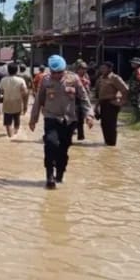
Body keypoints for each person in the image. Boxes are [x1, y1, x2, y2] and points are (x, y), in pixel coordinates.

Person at [29, 55, 94, 189]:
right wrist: (33, 119)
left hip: (69, 120)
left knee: (63, 150)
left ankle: (59, 174)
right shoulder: (46, 80)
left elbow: (83, 97)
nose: (57, 75)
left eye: (59, 72)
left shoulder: (74, 79)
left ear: (64, 70)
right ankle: (49, 176)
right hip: (51, 117)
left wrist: (89, 115)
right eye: (54, 72)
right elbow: (38, 100)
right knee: (51, 144)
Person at [94, 61, 128, 146]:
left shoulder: (115, 78)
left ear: (110, 69)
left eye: (104, 68)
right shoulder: (101, 78)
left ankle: (112, 144)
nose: (102, 70)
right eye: (101, 68)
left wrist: (121, 102)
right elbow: (99, 94)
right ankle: (107, 143)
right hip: (103, 103)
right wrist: (96, 106)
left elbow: (125, 89)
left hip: (111, 104)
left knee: (111, 125)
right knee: (104, 124)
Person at [0, 62, 28, 139]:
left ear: (8, 70)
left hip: (7, 102)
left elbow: (1, 91)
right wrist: (25, 105)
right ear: (17, 70)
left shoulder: (3, 80)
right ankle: (15, 135)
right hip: (17, 102)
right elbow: (25, 92)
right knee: (17, 120)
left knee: (7, 122)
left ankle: (10, 136)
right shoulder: (21, 80)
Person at [75, 61, 91, 140]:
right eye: (82, 68)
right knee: (74, 117)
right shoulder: (74, 77)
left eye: (85, 69)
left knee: (81, 118)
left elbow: (88, 88)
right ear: (78, 69)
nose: (84, 70)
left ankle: (80, 135)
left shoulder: (86, 77)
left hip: (83, 99)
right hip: (75, 99)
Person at [129, 57, 140, 123]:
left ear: (137, 64)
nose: (132, 64)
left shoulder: (139, 69)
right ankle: (137, 118)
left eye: (133, 63)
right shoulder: (136, 70)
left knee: (136, 104)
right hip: (134, 89)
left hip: (137, 89)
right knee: (134, 103)